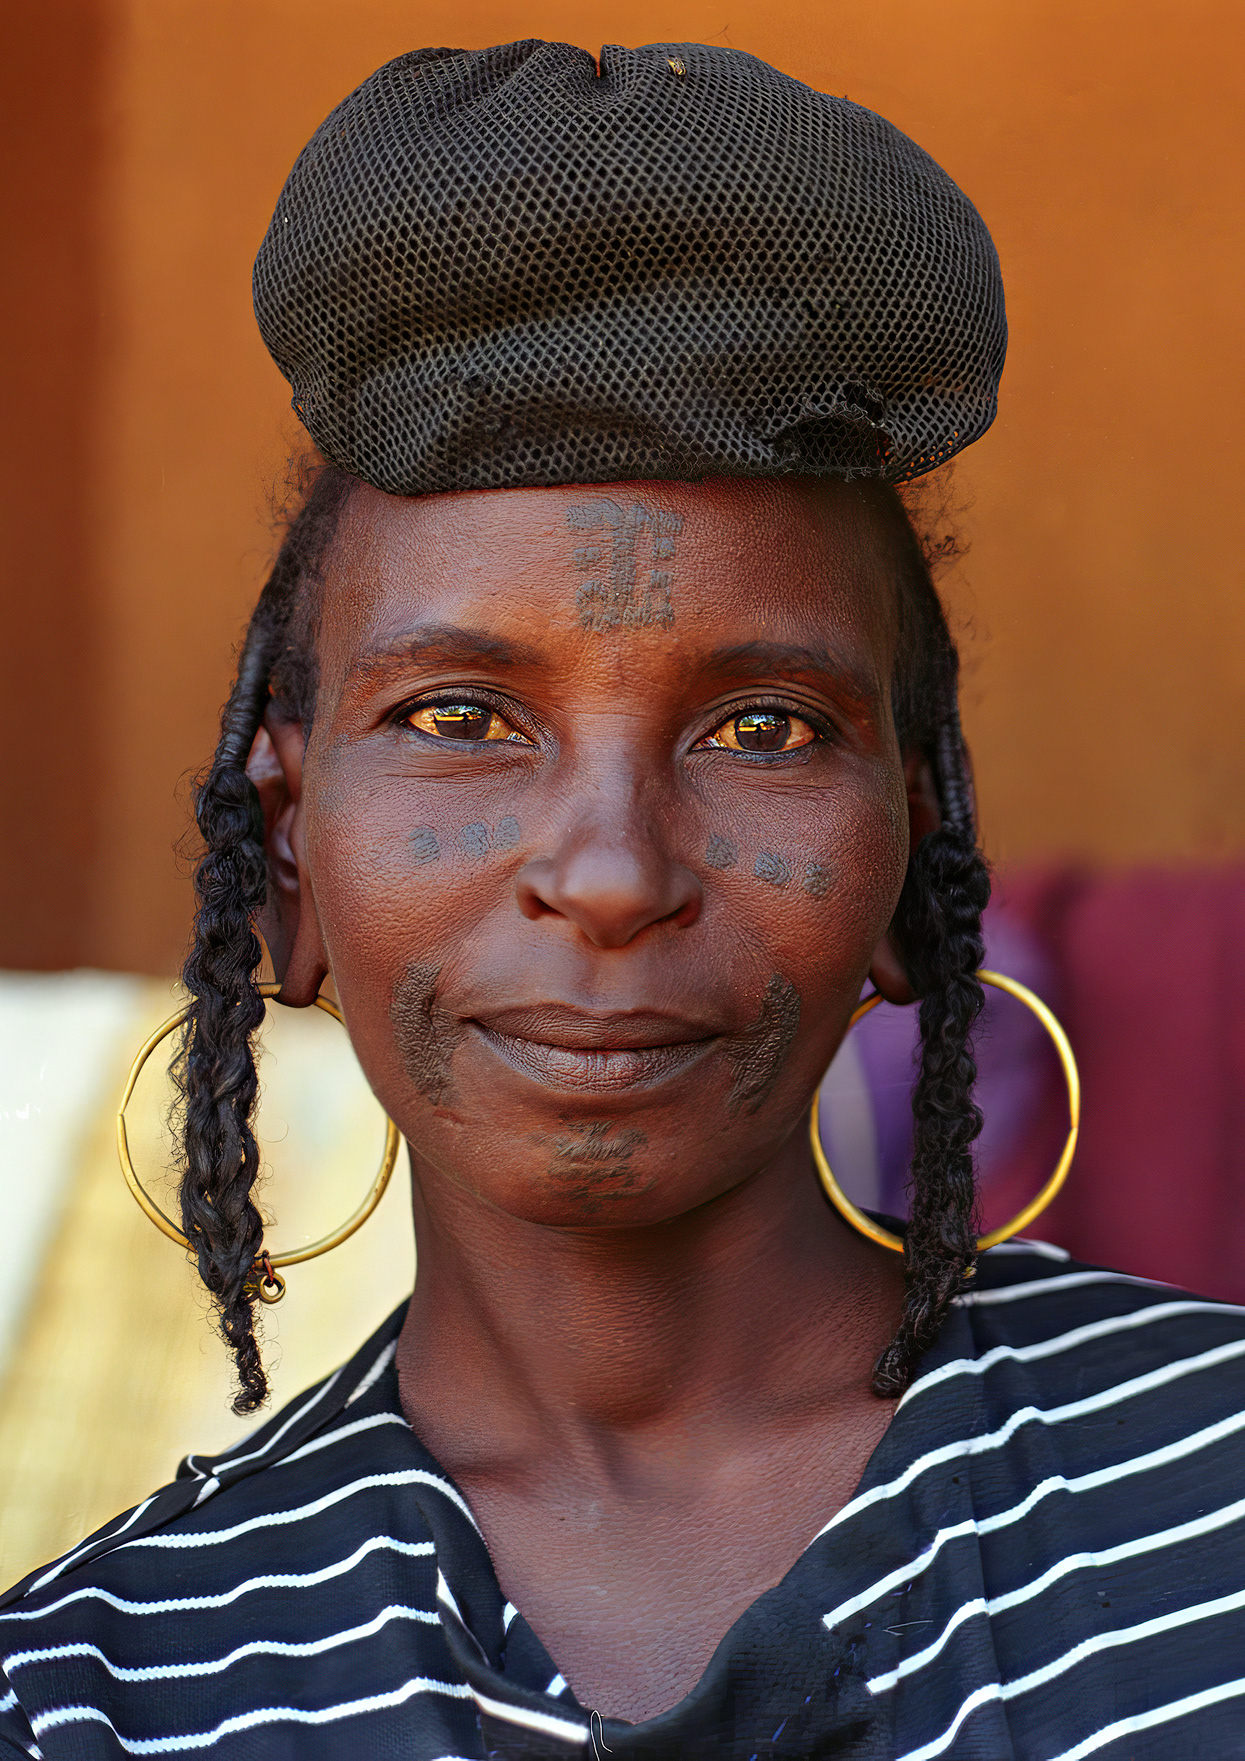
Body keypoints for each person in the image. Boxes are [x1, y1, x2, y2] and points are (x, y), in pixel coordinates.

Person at [3, 40, 1243, 1761]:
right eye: (459, 717)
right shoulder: (91, 1699)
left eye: (762, 726)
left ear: (912, 856)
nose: (607, 870)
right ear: (286, 855)